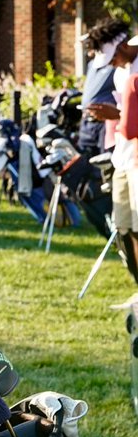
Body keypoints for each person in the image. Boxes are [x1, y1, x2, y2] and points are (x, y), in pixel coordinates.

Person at [85, 31, 138, 309]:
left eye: (113, 57)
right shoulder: (121, 73)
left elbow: (130, 120)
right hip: (123, 158)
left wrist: (116, 115)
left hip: (136, 159)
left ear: (124, 45)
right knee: (123, 227)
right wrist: (112, 114)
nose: (112, 63)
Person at [78, 18, 126, 158]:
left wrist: (118, 115)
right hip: (88, 122)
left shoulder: (118, 66)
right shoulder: (93, 65)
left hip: (105, 124)